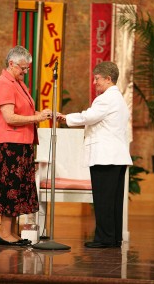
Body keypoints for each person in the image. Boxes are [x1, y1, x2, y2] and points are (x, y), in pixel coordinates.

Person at [57, 61, 132, 248]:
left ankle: (104, 239)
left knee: (104, 199)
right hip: (116, 157)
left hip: (106, 157)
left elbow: (88, 117)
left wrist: (65, 118)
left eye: (97, 79)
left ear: (108, 79)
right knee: (113, 200)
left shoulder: (106, 98)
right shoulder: (119, 99)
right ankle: (113, 238)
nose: (94, 82)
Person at [0, 45, 52, 246]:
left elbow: (25, 111)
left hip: (20, 144)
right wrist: (37, 117)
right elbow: (10, 117)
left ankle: (11, 233)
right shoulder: (4, 83)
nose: (25, 71)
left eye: (27, 68)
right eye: (22, 68)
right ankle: (4, 234)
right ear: (11, 63)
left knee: (16, 189)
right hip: (8, 145)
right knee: (9, 189)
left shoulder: (18, 83)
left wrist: (42, 113)